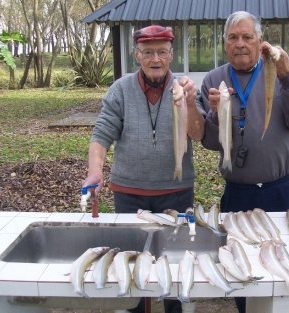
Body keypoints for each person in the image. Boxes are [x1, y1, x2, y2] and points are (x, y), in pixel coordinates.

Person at [197, 11, 289, 313]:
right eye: (233, 37)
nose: (240, 43)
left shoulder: (278, 71)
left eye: (247, 37)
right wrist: (215, 114)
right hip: (239, 193)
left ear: (260, 41)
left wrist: (288, 73)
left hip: (284, 189)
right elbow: (211, 142)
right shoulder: (214, 80)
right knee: (242, 263)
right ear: (225, 44)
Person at [82, 25, 205, 313]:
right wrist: (95, 170)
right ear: (137, 55)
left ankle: (175, 307)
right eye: (148, 52)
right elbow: (101, 134)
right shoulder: (120, 90)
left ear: (171, 55)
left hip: (176, 193)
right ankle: (137, 307)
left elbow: (198, 134)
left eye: (162, 51)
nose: (155, 58)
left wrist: (189, 103)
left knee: (175, 263)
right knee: (132, 262)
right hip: (129, 194)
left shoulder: (183, 88)